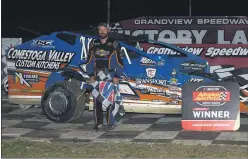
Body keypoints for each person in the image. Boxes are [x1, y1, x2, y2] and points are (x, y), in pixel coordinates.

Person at [85, 22, 123, 130]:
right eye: (100, 29)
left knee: (110, 100)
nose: (102, 31)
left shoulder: (115, 44)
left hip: (110, 75)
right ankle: (98, 123)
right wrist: (91, 75)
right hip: (97, 75)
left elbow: (120, 62)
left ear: (108, 31)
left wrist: (116, 75)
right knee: (97, 100)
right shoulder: (93, 44)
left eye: (104, 29)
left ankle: (110, 123)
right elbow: (89, 61)